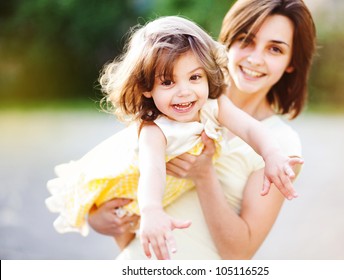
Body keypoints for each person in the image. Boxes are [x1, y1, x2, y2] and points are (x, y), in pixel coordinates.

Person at [46, 15, 302, 260]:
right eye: (168, 82)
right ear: (147, 88)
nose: (184, 92)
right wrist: (151, 211)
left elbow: (250, 128)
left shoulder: (214, 105)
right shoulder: (154, 130)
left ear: (207, 74)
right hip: (137, 204)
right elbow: (152, 171)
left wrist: (271, 154)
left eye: (194, 77)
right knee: (110, 213)